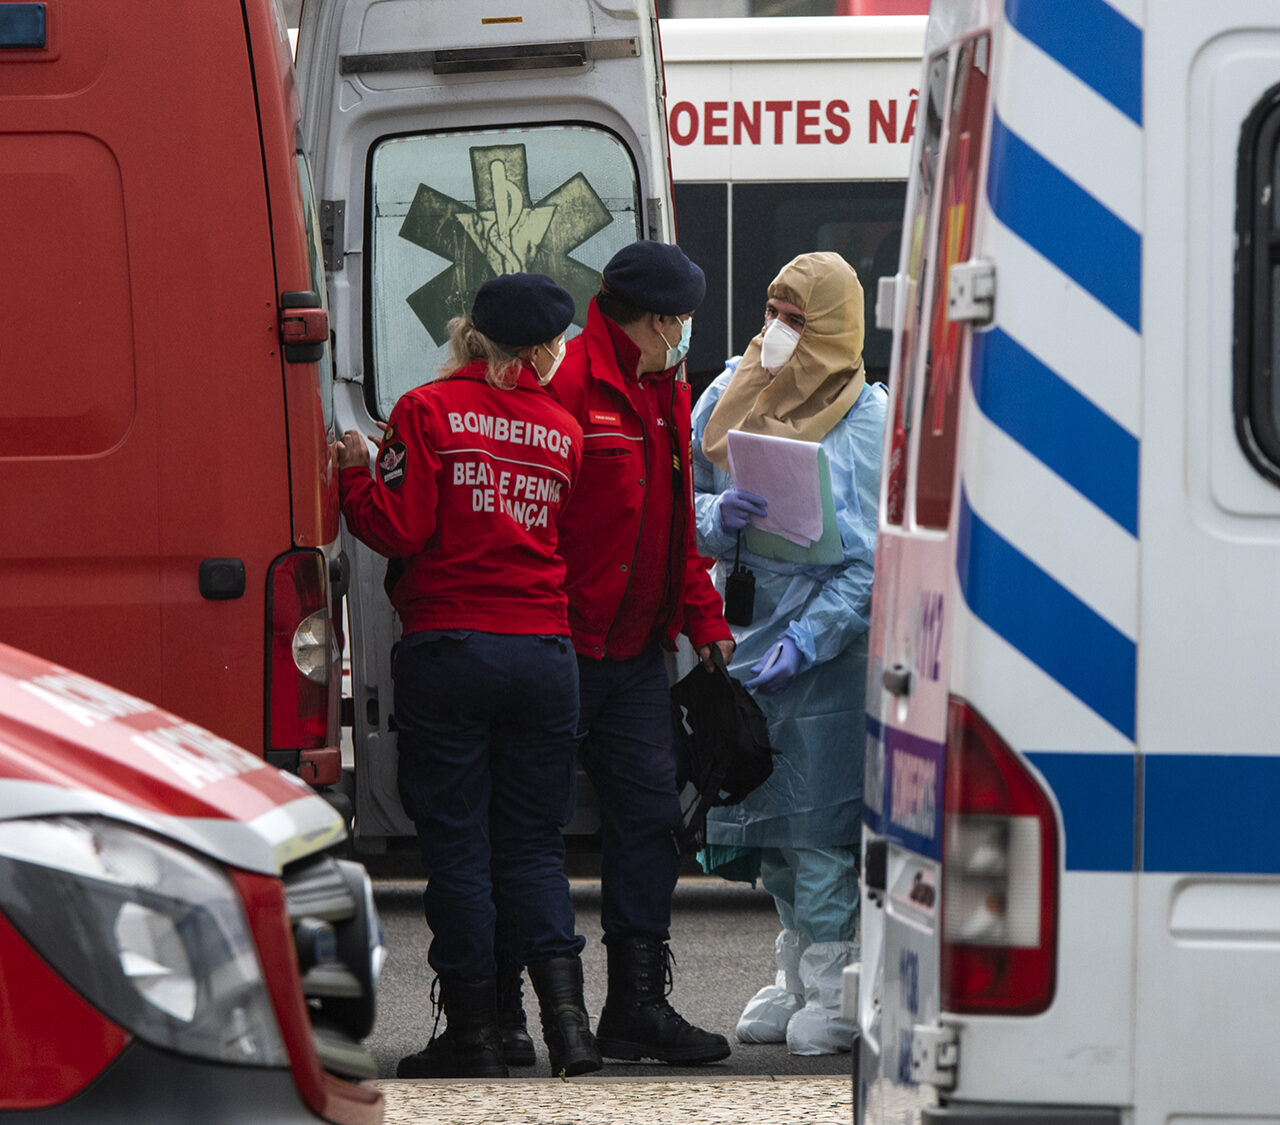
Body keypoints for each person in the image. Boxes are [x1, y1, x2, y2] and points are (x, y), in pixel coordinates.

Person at [332, 273, 601, 1079]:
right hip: (544, 656)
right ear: (545, 346)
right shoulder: (564, 427)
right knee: (532, 847)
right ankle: (568, 1029)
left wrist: (352, 473)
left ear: (469, 334)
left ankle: (477, 1032)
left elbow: (399, 525)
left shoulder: (424, 411)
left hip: (451, 650)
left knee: (457, 849)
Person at [519, 239, 735, 1066]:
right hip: (563, 645)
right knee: (531, 823)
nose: (683, 336)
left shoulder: (664, 387)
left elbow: (676, 526)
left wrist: (704, 619)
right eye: (679, 322)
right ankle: (514, 1011)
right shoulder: (568, 383)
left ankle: (637, 1005)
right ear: (652, 320)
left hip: (638, 652)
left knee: (651, 818)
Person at [689, 251, 885, 1055]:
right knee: (763, 821)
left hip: (823, 650)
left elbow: (870, 557)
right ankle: (796, 969)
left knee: (819, 825)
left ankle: (838, 980)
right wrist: (718, 520)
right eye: (773, 309)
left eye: (798, 318)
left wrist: (810, 636)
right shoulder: (732, 388)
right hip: (746, 636)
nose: (778, 332)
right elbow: (685, 502)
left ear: (836, 326)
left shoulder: (866, 416)